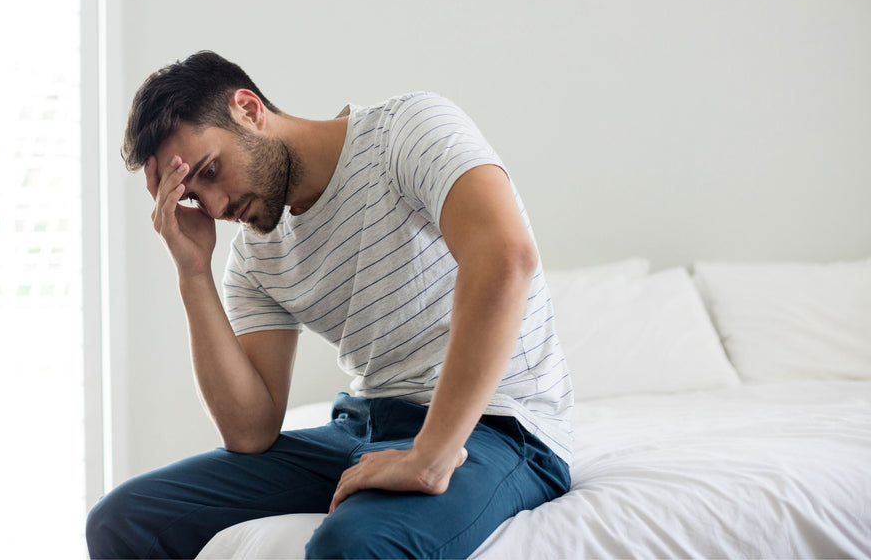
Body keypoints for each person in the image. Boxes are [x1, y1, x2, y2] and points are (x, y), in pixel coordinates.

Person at [86, 51, 573, 559]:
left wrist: (430, 455)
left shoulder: (406, 130)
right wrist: (192, 272)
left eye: (210, 170)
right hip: (366, 426)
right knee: (122, 521)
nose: (214, 207)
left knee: (354, 545)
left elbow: (506, 258)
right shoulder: (257, 254)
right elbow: (251, 431)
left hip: (500, 429)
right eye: (191, 196)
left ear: (249, 109)